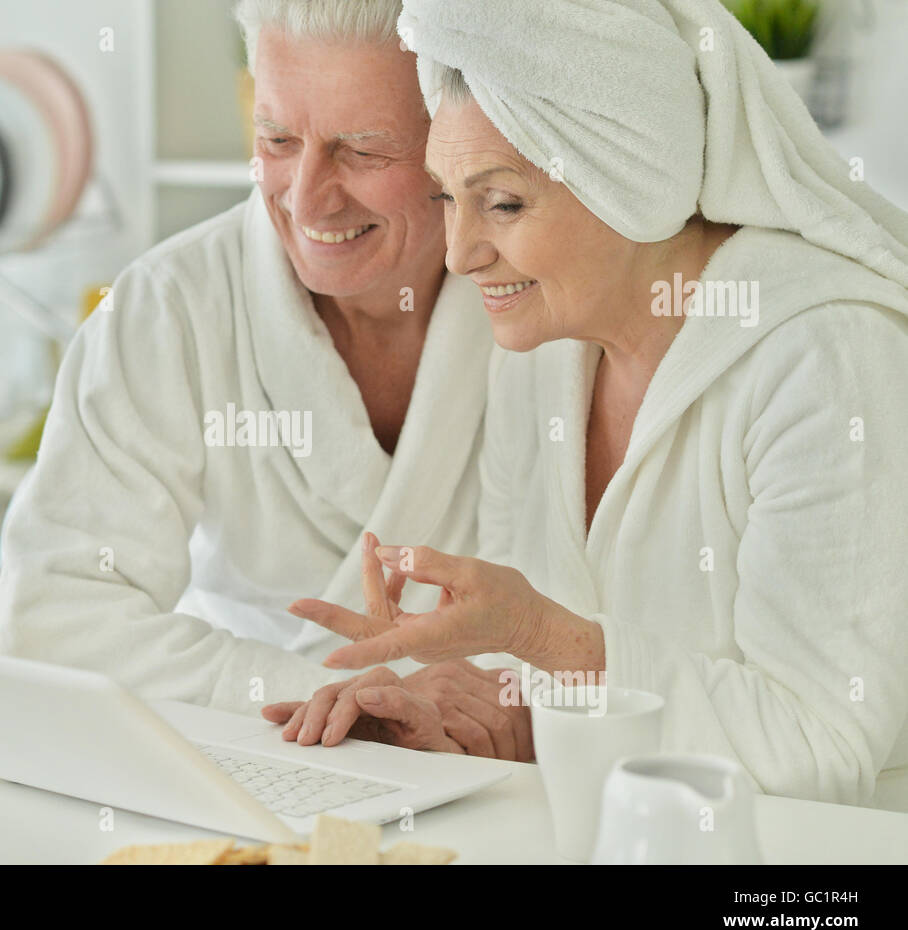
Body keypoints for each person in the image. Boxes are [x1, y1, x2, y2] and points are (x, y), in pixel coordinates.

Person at [269, 0, 908, 810]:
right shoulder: (545, 347)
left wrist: (540, 634)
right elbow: (554, 697)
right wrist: (454, 713)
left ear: (627, 178)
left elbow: (820, 751)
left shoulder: (827, 357)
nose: (462, 255)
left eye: (502, 204)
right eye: (445, 198)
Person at [0, 0, 499, 726]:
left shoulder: (536, 307)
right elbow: (50, 626)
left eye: (362, 150)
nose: (307, 197)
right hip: (240, 746)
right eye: (278, 139)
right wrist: (345, 697)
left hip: (490, 754)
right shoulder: (167, 308)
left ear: (453, 142)